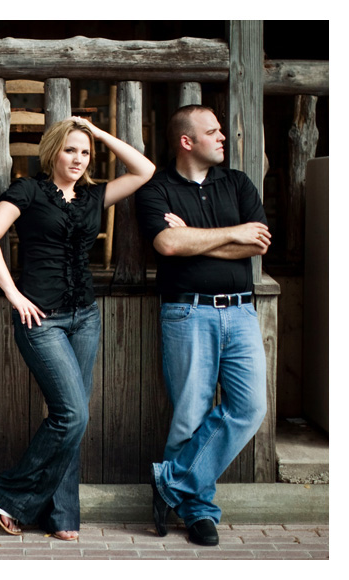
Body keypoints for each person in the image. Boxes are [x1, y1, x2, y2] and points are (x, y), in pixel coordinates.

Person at [0, 116, 155, 540]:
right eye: (71, 149)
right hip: (41, 320)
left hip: (85, 317)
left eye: (85, 152)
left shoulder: (94, 196)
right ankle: (10, 493)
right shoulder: (29, 190)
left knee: (72, 417)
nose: (78, 158)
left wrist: (99, 133)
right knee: (72, 415)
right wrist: (14, 294)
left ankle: (62, 517)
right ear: (54, 151)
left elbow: (144, 170)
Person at [135, 105, 270, 546]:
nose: (222, 137)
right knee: (189, 417)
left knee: (250, 408)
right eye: (212, 132)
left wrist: (196, 236)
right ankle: (198, 512)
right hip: (188, 313)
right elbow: (168, 244)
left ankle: (169, 483)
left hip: (241, 312)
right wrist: (232, 234)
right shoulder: (157, 188)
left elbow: (258, 244)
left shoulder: (238, 183)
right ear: (186, 141)